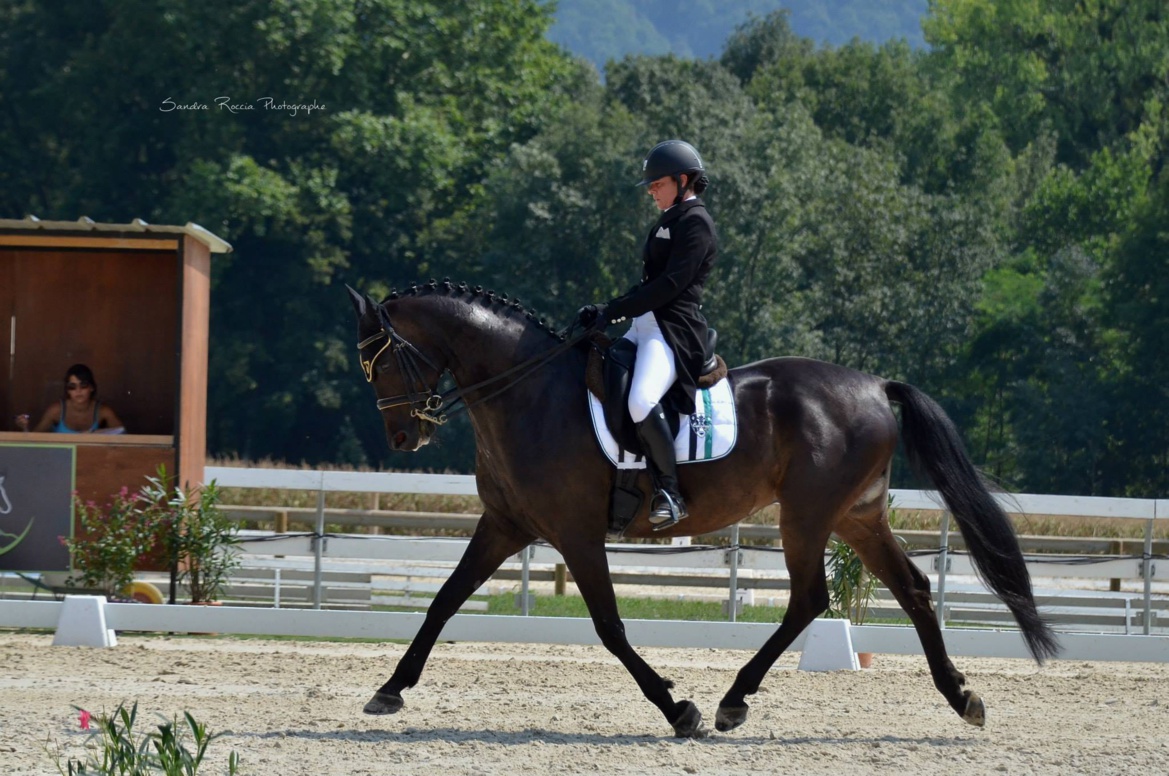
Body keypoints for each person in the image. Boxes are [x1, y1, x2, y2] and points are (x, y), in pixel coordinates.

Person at [576, 139, 718, 530]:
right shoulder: (670, 219)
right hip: (645, 326)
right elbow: (647, 286)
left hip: (672, 331)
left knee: (640, 400)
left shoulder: (696, 222)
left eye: (658, 183)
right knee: (596, 373)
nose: (652, 190)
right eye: (651, 185)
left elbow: (669, 286)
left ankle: (670, 492)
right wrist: (606, 309)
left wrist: (614, 310)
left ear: (683, 180)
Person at [14, 364, 125, 434]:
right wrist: (25, 427)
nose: (78, 390)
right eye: (72, 386)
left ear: (92, 387)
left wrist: (95, 433)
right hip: (59, 463)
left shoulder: (102, 411)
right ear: (67, 390)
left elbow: (123, 435)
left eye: (83, 385)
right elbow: (34, 440)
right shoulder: (56, 411)